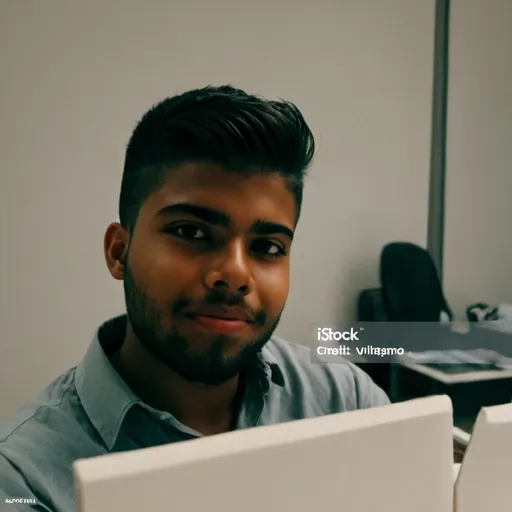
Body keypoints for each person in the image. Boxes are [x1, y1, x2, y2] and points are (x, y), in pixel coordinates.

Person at [0, 85, 389, 511]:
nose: (236, 275)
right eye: (190, 232)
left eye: (268, 247)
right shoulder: (25, 479)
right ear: (119, 251)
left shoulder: (345, 402)